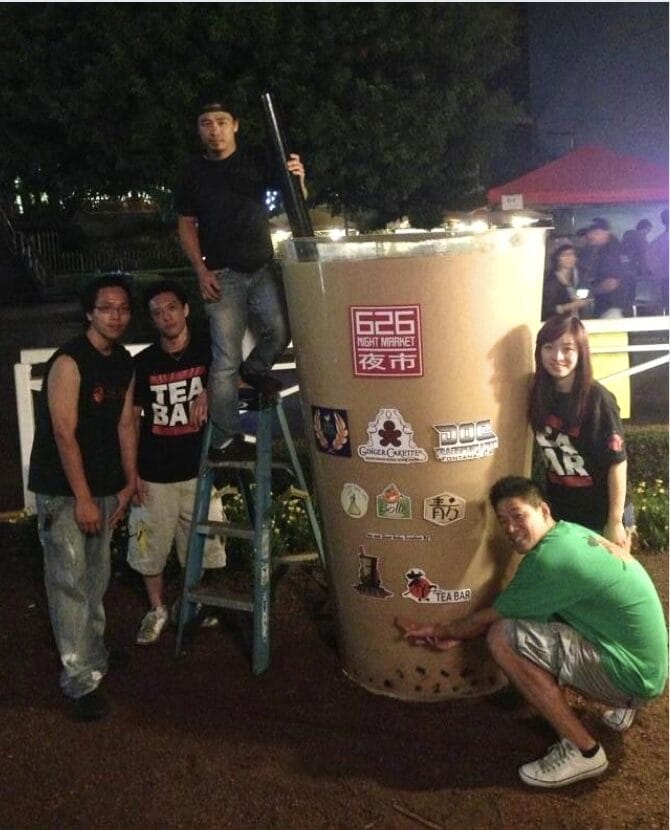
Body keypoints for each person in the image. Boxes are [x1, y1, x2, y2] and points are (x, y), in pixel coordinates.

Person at [398, 476, 667, 789]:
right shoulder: (572, 534)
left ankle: (584, 750)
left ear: (543, 510)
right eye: (502, 521)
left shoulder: (549, 560)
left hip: (633, 677)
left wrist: (444, 630)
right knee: (546, 620)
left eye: (518, 516)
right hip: (650, 665)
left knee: (503, 637)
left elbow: (491, 618)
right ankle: (624, 704)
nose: (510, 528)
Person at [28, 274, 136, 721]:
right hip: (65, 491)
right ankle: (79, 679)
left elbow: (125, 422)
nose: (116, 315)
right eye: (106, 307)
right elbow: (62, 432)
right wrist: (83, 498)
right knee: (69, 583)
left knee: (95, 578)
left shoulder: (122, 361)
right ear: (89, 312)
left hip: (106, 486)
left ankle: (93, 654)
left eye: (123, 308)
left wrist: (128, 481)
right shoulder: (69, 361)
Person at [174, 97, 307, 462]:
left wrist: (299, 177)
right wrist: (201, 271)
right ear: (199, 129)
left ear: (235, 125)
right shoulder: (192, 172)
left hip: (262, 267)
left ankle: (256, 370)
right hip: (221, 274)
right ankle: (224, 439)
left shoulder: (257, 160)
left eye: (220, 121)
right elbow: (185, 225)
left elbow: (295, 198)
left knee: (281, 331)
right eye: (206, 123)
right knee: (224, 359)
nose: (213, 129)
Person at [128, 280, 227, 645]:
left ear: (185, 309)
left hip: (200, 469)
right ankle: (157, 609)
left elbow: (235, 379)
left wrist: (212, 390)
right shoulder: (144, 364)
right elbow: (131, 420)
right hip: (155, 472)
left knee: (201, 545)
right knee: (148, 546)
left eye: (171, 308)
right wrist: (132, 472)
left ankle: (194, 603)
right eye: (156, 312)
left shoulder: (210, 352)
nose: (165, 316)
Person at [529, 315, 633, 547]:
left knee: (606, 579)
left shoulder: (598, 399)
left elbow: (617, 462)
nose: (557, 357)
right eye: (549, 347)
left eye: (567, 349)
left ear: (581, 353)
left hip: (602, 512)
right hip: (563, 510)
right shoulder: (538, 394)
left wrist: (615, 521)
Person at [582, 217, 631, 318]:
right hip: (615, 306)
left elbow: (611, 283)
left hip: (611, 309)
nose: (589, 236)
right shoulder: (611, 249)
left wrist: (590, 292)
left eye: (594, 233)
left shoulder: (610, 252)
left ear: (604, 232)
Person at [541, 243, 592, 320]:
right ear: (557, 258)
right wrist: (570, 306)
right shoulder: (551, 281)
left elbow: (589, 296)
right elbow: (547, 309)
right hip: (559, 323)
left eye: (572, 254)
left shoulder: (582, 277)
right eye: (564, 255)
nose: (569, 258)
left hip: (581, 320)